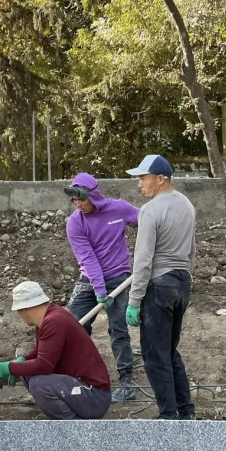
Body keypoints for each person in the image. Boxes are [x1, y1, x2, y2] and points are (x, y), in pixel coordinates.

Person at [124, 155, 197, 420]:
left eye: (143, 178)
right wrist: (183, 278)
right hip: (182, 282)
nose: (139, 184)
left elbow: (143, 260)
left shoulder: (151, 210)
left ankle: (168, 417)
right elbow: (191, 251)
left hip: (159, 286)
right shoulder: (186, 205)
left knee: (155, 356)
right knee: (169, 351)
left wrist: (134, 302)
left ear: (160, 179)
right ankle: (186, 412)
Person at [0, 281, 111, 420]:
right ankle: (63, 419)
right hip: (86, 393)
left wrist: (8, 367)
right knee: (28, 374)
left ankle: (73, 427)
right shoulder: (49, 318)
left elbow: (44, 366)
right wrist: (22, 360)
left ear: (25, 309)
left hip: (94, 397)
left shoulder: (53, 322)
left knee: (39, 384)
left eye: (18, 311)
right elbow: (42, 350)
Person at [64, 172, 140, 402]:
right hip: (90, 280)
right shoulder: (75, 223)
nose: (78, 204)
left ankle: (126, 383)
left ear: (94, 195)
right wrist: (99, 289)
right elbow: (87, 258)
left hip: (118, 277)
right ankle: (79, 377)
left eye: (82, 199)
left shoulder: (119, 209)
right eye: (74, 200)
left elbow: (148, 221)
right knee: (74, 327)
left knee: (118, 329)